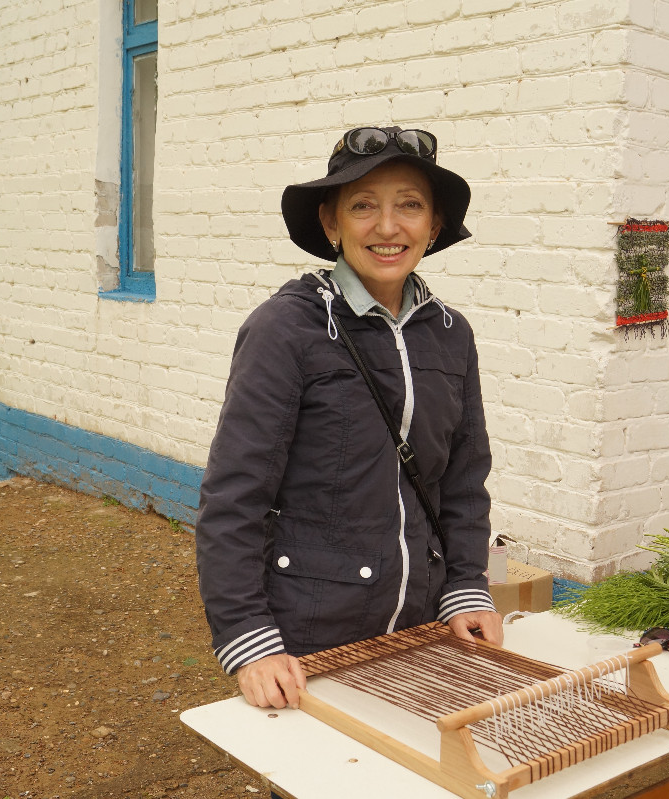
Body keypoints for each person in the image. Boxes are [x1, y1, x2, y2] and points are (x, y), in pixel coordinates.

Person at [195, 125, 502, 711]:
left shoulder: (450, 334)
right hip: (313, 631)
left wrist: (466, 587)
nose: (388, 227)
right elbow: (235, 495)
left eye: (409, 205)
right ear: (331, 224)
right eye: (363, 206)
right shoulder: (287, 329)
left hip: (421, 625)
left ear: (434, 225)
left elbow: (464, 481)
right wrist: (248, 638)